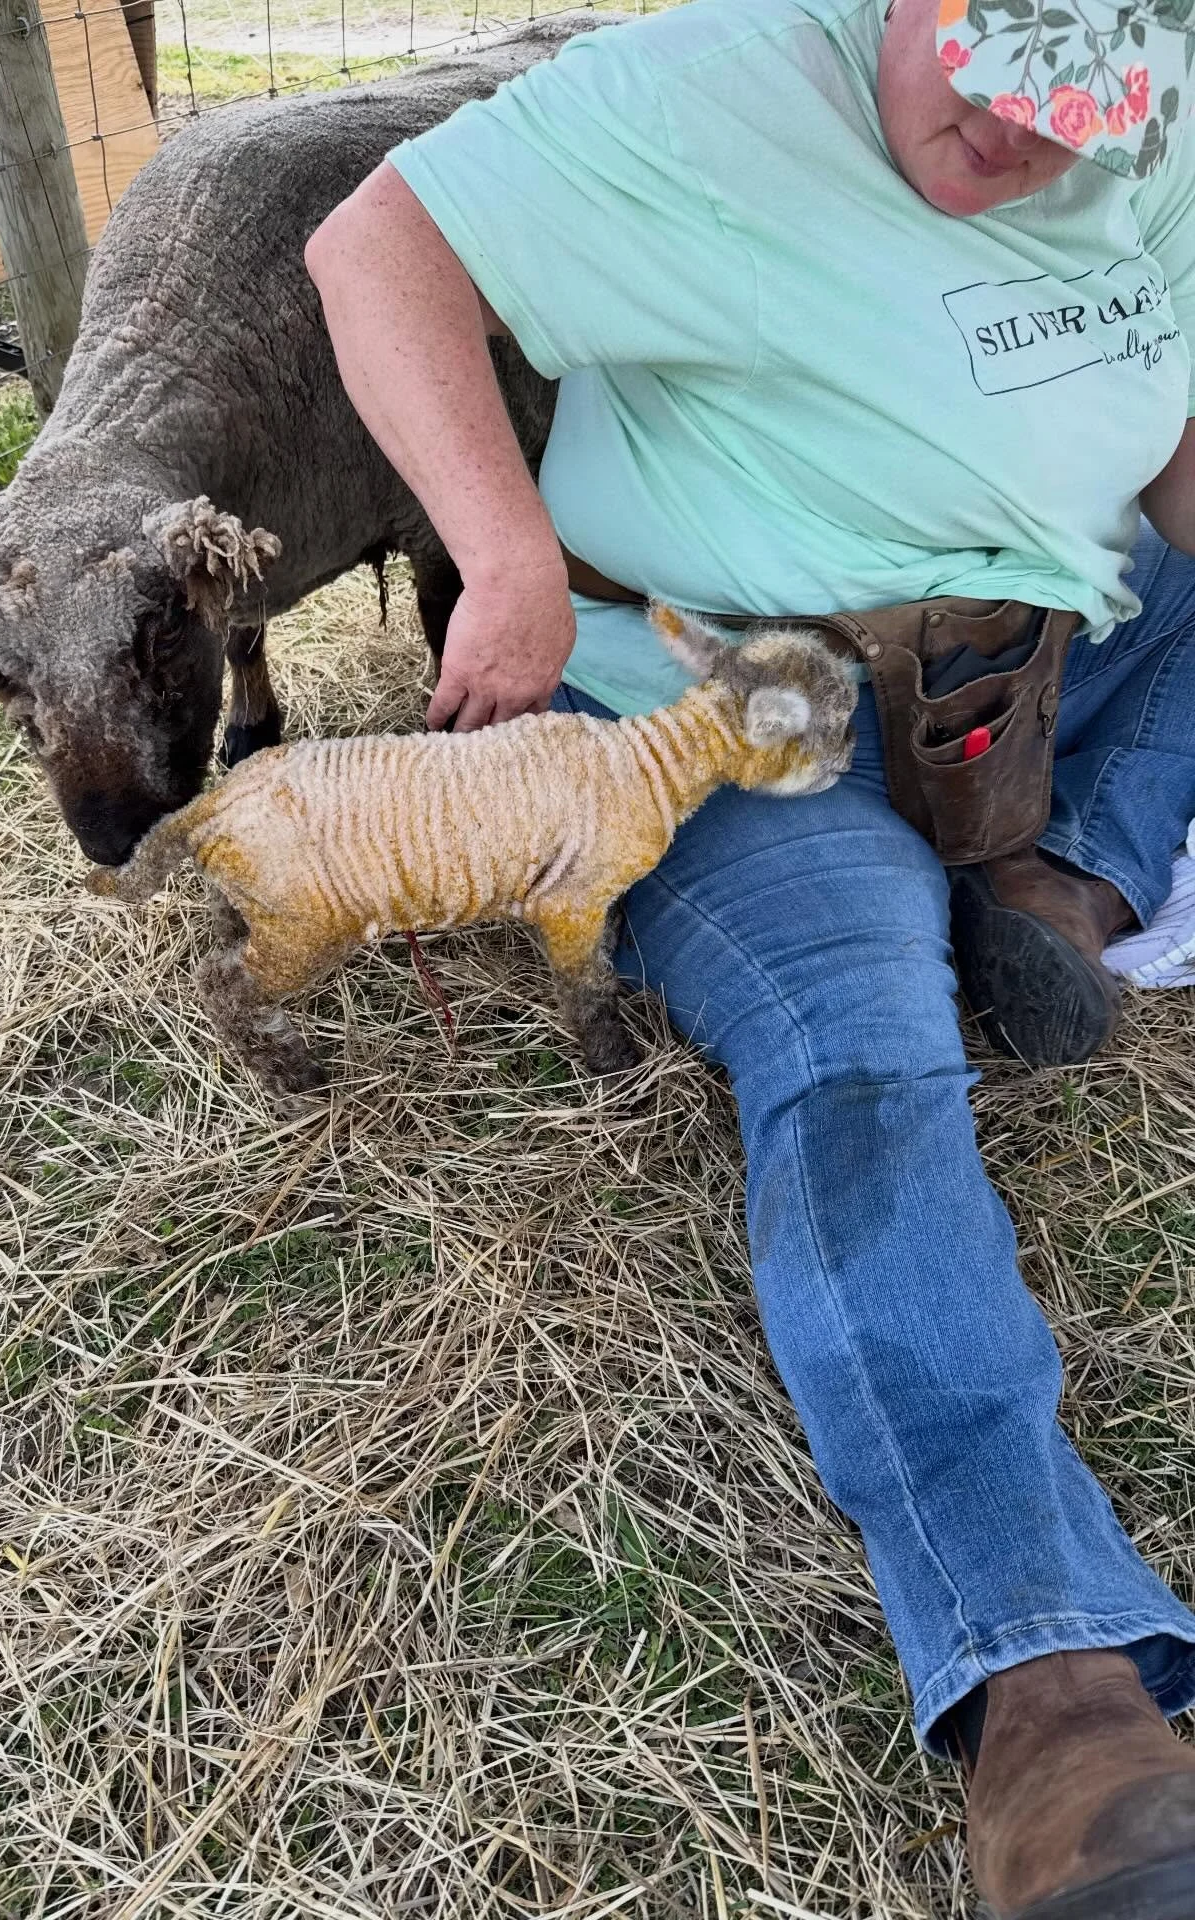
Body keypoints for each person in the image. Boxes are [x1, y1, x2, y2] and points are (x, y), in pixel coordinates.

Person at [303, 1, 1195, 1913]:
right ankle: (1049, 1683)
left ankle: (1055, 887)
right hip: (742, 714)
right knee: (864, 1057)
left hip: (1021, 658)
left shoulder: (1169, 117)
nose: (1030, 144)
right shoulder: (711, 96)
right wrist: (509, 557)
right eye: (997, 79)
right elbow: (372, 243)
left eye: (1087, 113)